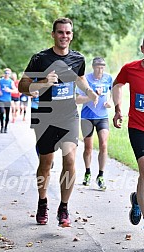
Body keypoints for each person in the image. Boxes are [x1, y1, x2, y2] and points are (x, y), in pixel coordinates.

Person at [18, 17, 98, 227]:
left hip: (69, 116)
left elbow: (80, 78)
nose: (64, 36)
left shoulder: (78, 58)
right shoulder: (40, 59)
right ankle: (43, 202)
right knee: (45, 163)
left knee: (70, 159)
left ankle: (64, 207)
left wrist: (89, 90)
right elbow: (22, 85)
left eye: (68, 33)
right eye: (60, 32)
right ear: (53, 34)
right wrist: (43, 82)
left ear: (72, 35)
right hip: (44, 117)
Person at [112, 39, 144, 227]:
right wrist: (117, 108)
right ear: (142, 49)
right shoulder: (130, 69)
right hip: (138, 128)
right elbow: (117, 85)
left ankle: (138, 200)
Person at [76, 57, 112, 190]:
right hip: (87, 117)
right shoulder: (85, 79)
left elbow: (112, 93)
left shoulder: (108, 78)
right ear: (93, 66)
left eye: (102, 66)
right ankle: (87, 172)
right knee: (88, 148)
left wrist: (110, 102)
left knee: (103, 144)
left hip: (103, 116)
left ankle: (101, 175)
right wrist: (90, 96)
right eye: (97, 66)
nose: (100, 69)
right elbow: (77, 100)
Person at [0, 68, 17, 133]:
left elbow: (15, 90)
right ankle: (2, 127)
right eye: (6, 73)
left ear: (10, 74)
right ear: (4, 73)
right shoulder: (0, 80)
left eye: (8, 73)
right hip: (1, 99)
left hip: (8, 100)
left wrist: (10, 90)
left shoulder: (11, 82)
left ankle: (5, 127)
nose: (7, 74)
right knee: (1, 112)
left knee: (7, 114)